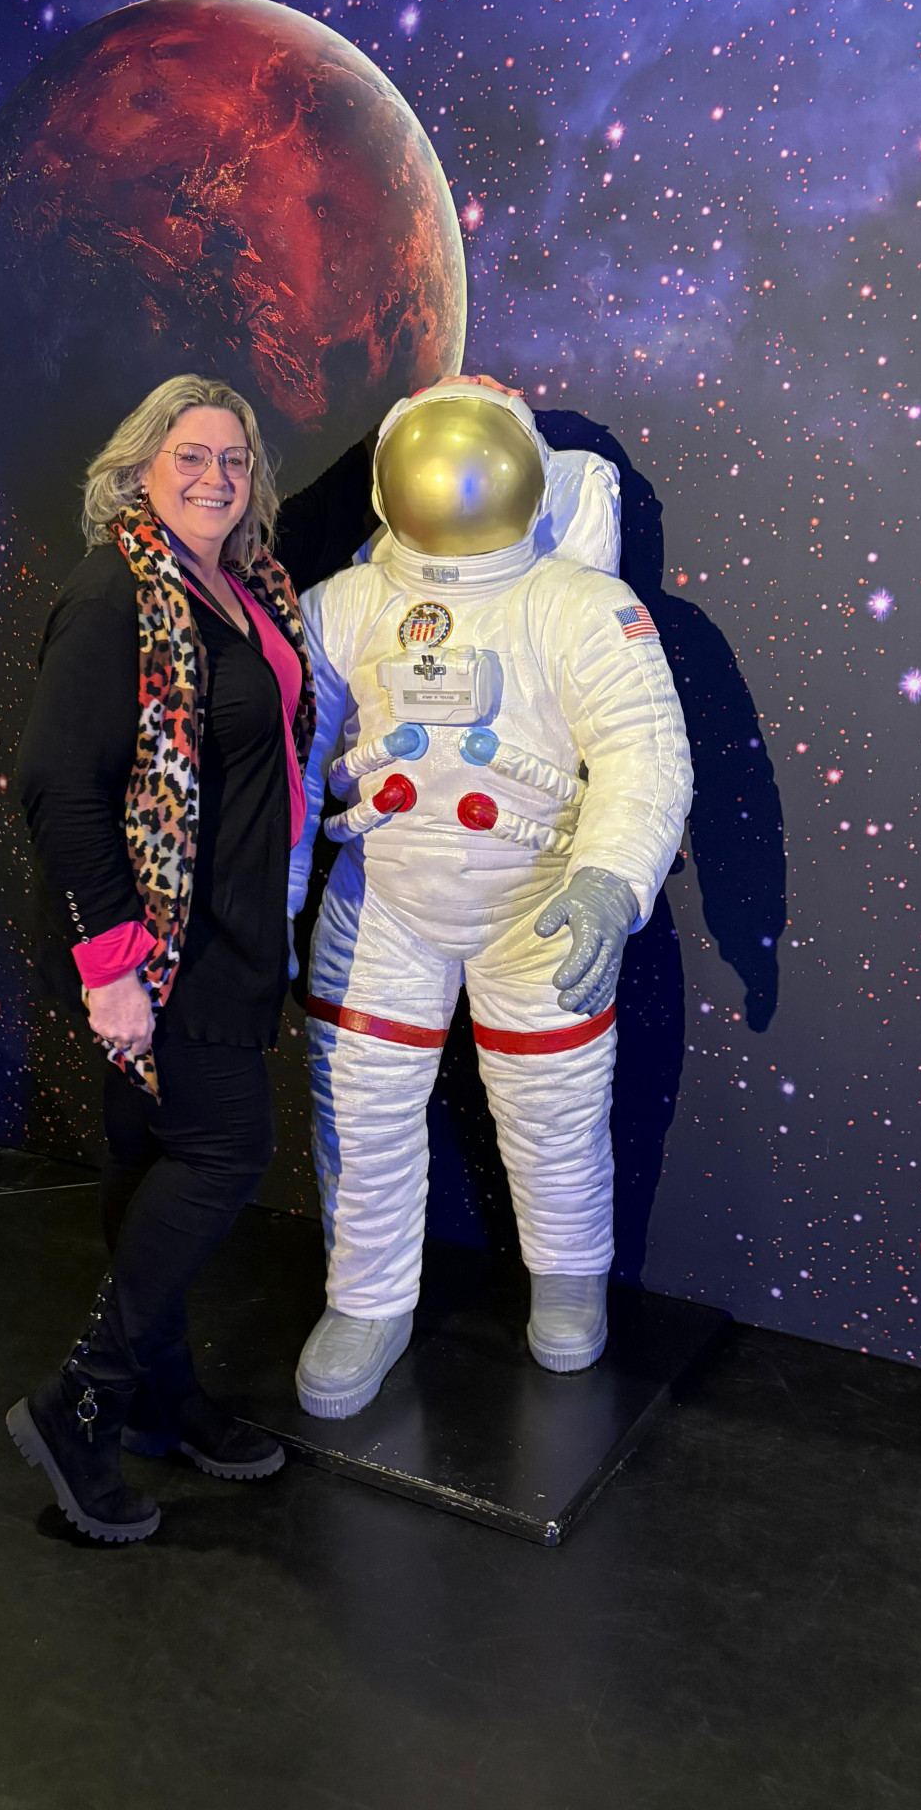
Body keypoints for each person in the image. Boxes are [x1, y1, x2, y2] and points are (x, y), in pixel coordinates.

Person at [288, 376, 694, 1418]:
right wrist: (278, 892)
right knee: (361, 1111)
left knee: (553, 1112)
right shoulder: (344, 604)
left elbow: (643, 754)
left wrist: (609, 880)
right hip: (385, 902)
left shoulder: (581, 605)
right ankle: (365, 1300)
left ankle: (568, 1281)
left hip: (539, 906)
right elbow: (288, 759)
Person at [7, 375, 315, 1543]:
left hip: (233, 928)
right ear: (139, 466)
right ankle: (82, 1399)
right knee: (226, 1147)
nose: (216, 477)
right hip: (160, 947)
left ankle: (161, 1398)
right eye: (191, 454)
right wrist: (114, 968)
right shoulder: (113, 591)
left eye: (235, 458)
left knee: (148, 1163)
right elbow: (60, 789)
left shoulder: (241, 583)